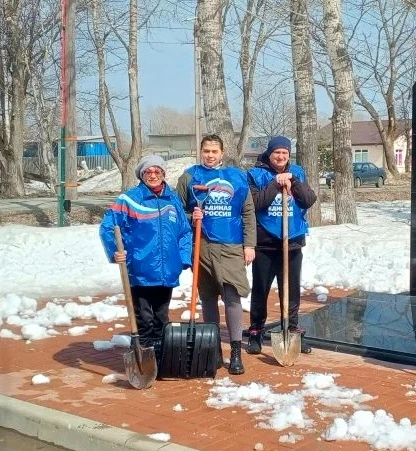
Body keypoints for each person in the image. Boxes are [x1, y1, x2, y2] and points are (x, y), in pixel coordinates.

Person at [176, 135, 256, 375]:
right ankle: (213, 350)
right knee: (208, 298)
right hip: (202, 245)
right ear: (200, 151)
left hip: (231, 246)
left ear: (222, 152)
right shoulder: (189, 177)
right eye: (206, 151)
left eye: (214, 151)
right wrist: (192, 218)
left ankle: (235, 351)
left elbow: (248, 212)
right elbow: (177, 212)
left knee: (232, 297)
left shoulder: (237, 177)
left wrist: (249, 244)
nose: (210, 155)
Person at [99, 155, 192, 351]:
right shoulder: (129, 199)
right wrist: (116, 251)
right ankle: (142, 355)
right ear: (142, 175)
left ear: (164, 174)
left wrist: (183, 259)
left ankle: (160, 356)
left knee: (161, 317)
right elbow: (108, 227)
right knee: (144, 319)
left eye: (157, 171)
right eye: (148, 172)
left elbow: (184, 232)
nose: (153, 175)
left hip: (167, 270)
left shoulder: (173, 199)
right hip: (140, 269)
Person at [247, 136, 317, 355]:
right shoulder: (256, 174)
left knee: (291, 291)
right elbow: (256, 204)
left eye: (284, 153)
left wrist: (293, 182)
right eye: (277, 152)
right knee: (261, 290)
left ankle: (292, 330)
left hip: (292, 242)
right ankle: (256, 331)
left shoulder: (297, 172)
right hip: (266, 243)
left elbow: (308, 200)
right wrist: (275, 184)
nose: (281, 156)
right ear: (269, 154)